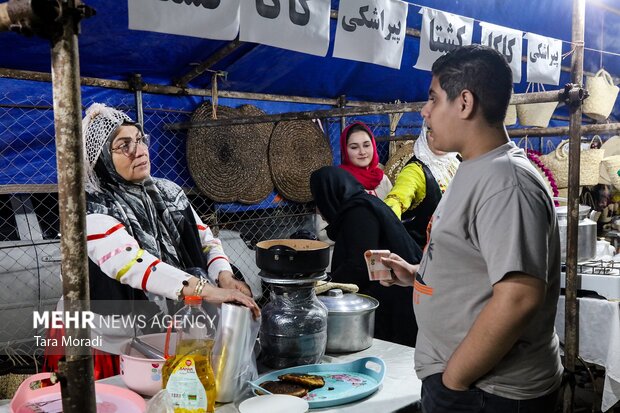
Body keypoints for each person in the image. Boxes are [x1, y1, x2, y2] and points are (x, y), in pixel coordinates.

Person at [381, 45, 562, 412]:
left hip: (489, 393)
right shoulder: (473, 167)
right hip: (472, 386)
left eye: (433, 98)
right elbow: (480, 267)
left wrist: (454, 381)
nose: (424, 110)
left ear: (464, 103)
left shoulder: (506, 182)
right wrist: (416, 275)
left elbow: (518, 297)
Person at [44, 103, 260, 379]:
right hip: (104, 340)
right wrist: (206, 290)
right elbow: (130, 263)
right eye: (124, 145)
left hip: (160, 330)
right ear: (100, 159)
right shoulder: (89, 207)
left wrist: (224, 277)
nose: (139, 150)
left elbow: (206, 240)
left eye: (139, 139)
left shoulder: (169, 193)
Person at [310, 166, 420, 347]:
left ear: (329, 193)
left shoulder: (359, 212)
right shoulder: (361, 205)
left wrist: (328, 286)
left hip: (397, 296)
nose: (319, 208)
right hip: (396, 291)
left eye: (318, 198)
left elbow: (359, 264)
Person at [384, 121, 460, 249]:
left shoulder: (456, 161)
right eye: (431, 130)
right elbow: (396, 200)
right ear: (424, 133)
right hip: (427, 255)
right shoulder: (415, 170)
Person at [315, 122, 392, 244]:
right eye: (354, 147)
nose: (362, 152)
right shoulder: (336, 181)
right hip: (349, 252)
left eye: (366, 145)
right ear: (345, 150)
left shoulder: (383, 179)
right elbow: (323, 232)